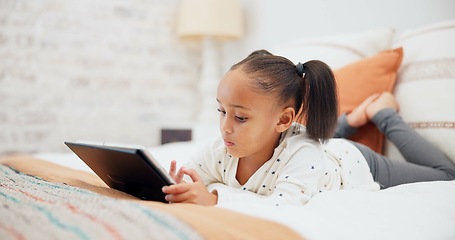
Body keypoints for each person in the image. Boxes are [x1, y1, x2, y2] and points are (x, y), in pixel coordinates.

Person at [161, 49, 455, 206]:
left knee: (448, 176)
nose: (224, 128)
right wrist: (183, 186)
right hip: (311, 145)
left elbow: (283, 205)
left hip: (354, 161)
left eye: (239, 118)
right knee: (309, 139)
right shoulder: (223, 145)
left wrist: (213, 199)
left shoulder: (304, 152)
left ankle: (381, 112)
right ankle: (351, 120)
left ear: (284, 119)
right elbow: (191, 174)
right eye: (221, 111)